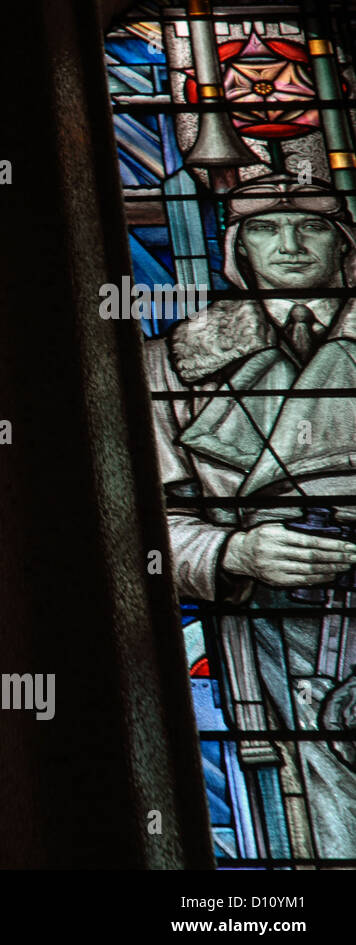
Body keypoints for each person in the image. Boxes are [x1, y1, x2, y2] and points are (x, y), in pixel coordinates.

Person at [145, 172, 356, 862]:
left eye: (313, 227)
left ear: (345, 244)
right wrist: (236, 552)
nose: (290, 245)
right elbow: (142, 530)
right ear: (235, 248)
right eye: (264, 229)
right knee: (310, 816)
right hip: (265, 629)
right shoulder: (175, 365)